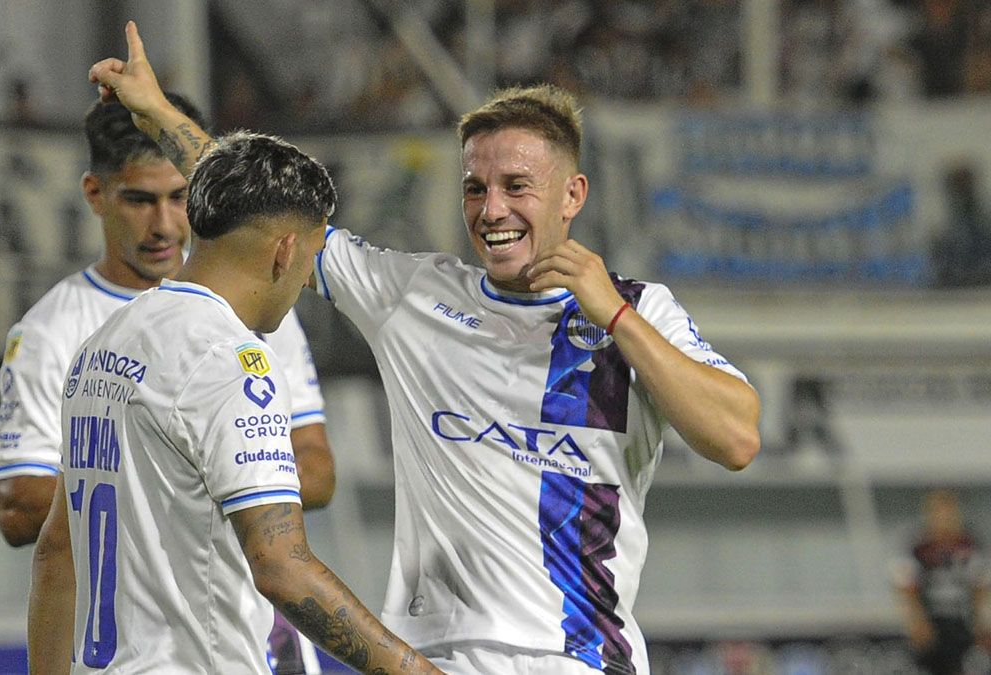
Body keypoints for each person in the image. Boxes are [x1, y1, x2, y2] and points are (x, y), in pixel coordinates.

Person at [109, 21, 761, 675]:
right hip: (435, 659)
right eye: (476, 187)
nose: (491, 208)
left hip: (578, 659)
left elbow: (736, 439)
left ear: (573, 195)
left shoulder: (640, 313)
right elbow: (264, 210)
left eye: (516, 185)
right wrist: (160, 114)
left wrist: (615, 314)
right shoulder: (413, 295)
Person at [27, 79, 441, 674]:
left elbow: (54, 551)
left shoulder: (105, 342)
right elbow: (281, 566)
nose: (305, 283)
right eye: (308, 261)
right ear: (283, 251)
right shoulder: (228, 360)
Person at [0, 92, 335, 550]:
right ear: (95, 193)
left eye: (179, 198)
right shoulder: (50, 330)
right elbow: (18, 508)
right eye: (140, 200)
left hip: (251, 615)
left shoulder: (260, 304)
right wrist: (193, 483)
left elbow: (317, 472)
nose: (166, 225)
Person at [894, 489, 990, 675]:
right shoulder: (918, 546)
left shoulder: (970, 544)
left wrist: (981, 622)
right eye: (939, 513)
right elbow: (907, 588)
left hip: (961, 621)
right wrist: (917, 622)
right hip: (932, 623)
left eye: (949, 513)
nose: (945, 518)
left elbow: (980, 586)